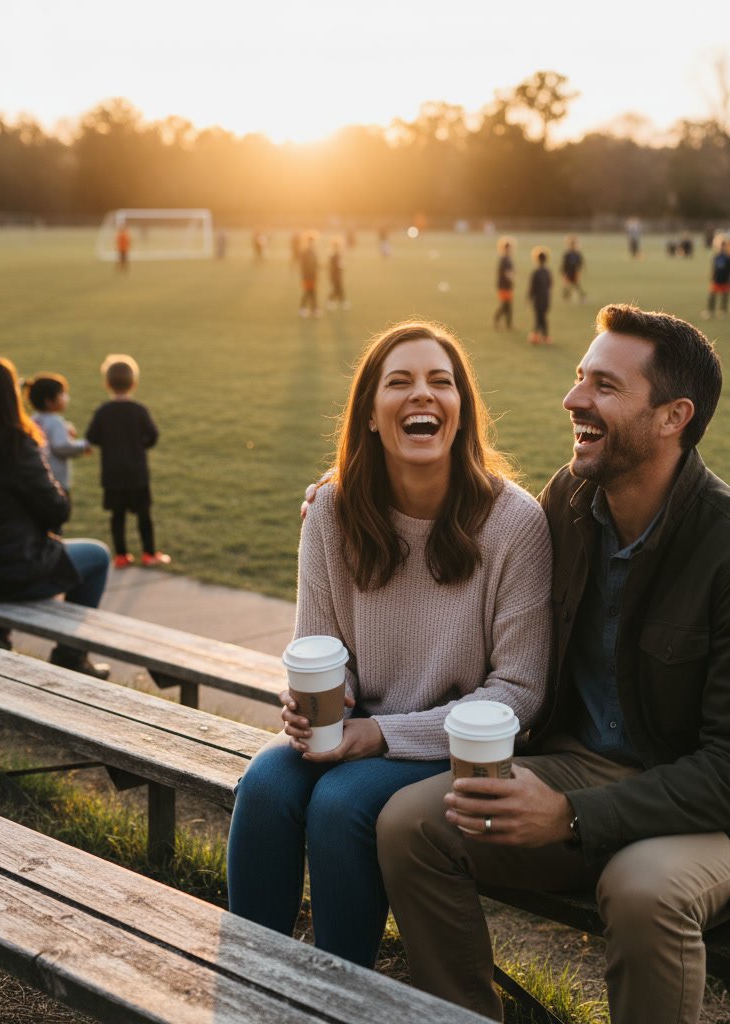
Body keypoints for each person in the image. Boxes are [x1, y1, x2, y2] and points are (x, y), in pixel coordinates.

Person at [375, 304, 730, 1024]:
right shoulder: (571, 497)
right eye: (581, 377)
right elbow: (461, 538)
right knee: (411, 824)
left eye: (604, 386)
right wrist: (344, 502)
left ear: (674, 416)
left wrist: (572, 815)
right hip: (579, 766)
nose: (573, 399)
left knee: (642, 889)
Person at [226, 321, 552, 969]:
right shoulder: (332, 509)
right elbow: (319, 646)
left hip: (453, 743)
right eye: (398, 382)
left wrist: (377, 737)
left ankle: (339, 993)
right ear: (371, 416)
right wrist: (314, 702)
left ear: (461, 411)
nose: (421, 395)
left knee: (342, 804)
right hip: (356, 726)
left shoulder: (515, 524)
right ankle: (246, 982)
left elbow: (520, 693)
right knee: (264, 785)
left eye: (441, 382)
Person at [0, 356, 111, 678]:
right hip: (11, 572)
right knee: (97, 555)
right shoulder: (15, 445)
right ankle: (70, 654)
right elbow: (57, 510)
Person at [85, 355, 170, 569]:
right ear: (134, 383)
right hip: (137, 472)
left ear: (107, 384)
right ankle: (149, 553)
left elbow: (92, 437)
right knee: (144, 514)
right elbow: (153, 436)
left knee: (117, 515)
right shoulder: (139, 410)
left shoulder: (103, 411)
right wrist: (140, 446)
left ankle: (121, 555)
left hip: (112, 474)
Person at [25, 372, 92, 498]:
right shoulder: (56, 422)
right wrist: (83, 445)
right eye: (62, 394)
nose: (66, 398)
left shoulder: (32, 420)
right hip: (55, 481)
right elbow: (61, 447)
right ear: (49, 401)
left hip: (36, 478)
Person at [703, 235, 730, 319]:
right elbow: (714, 268)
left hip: (725, 279)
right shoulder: (716, 257)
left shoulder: (729, 258)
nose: (721, 247)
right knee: (712, 296)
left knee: (724, 297)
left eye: (723, 245)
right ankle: (710, 311)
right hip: (716, 279)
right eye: (720, 245)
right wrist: (712, 275)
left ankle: (723, 312)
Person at [527, 247, 552, 345]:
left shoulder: (536, 272)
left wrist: (529, 298)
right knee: (542, 317)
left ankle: (538, 336)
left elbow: (532, 288)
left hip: (537, 300)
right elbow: (550, 284)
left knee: (539, 318)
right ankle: (543, 336)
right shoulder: (547, 272)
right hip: (546, 299)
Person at [492, 237, 515, 330]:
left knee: (508, 305)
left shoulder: (507, 259)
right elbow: (506, 273)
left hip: (507, 285)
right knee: (505, 305)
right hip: (504, 286)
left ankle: (508, 324)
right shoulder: (505, 259)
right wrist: (511, 277)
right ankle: (497, 319)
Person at [298, 235, 320, 318]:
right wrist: (305, 276)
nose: (312, 244)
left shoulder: (314, 252)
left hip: (313, 276)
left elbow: (316, 264)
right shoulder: (305, 253)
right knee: (308, 292)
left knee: (312, 292)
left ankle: (313, 309)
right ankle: (305, 309)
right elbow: (303, 266)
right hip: (307, 276)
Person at [560, 235, 586, 302]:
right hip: (568, 271)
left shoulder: (577, 254)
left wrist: (578, 271)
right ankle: (566, 296)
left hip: (574, 271)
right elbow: (564, 263)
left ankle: (581, 295)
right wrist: (563, 272)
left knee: (575, 284)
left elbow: (580, 263)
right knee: (568, 284)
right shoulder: (567, 254)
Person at [327, 238, 348, 309]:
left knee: (339, 288)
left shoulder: (338, 255)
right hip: (334, 275)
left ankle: (342, 302)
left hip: (338, 275)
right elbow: (333, 266)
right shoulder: (333, 255)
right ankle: (332, 301)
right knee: (337, 289)